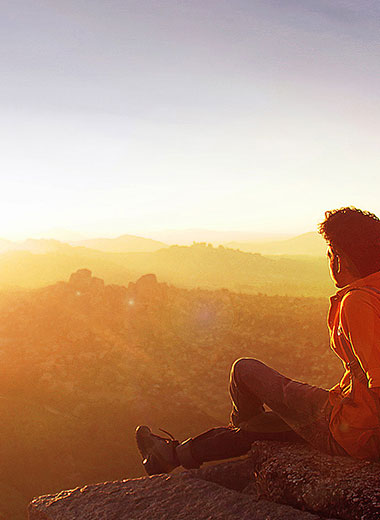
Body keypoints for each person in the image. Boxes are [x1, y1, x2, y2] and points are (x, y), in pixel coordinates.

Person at [136, 207, 380, 474]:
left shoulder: (357, 302)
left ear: (339, 260)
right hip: (350, 415)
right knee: (279, 421)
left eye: (330, 253)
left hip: (352, 431)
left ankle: (241, 442)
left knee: (245, 371)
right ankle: (172, 455)